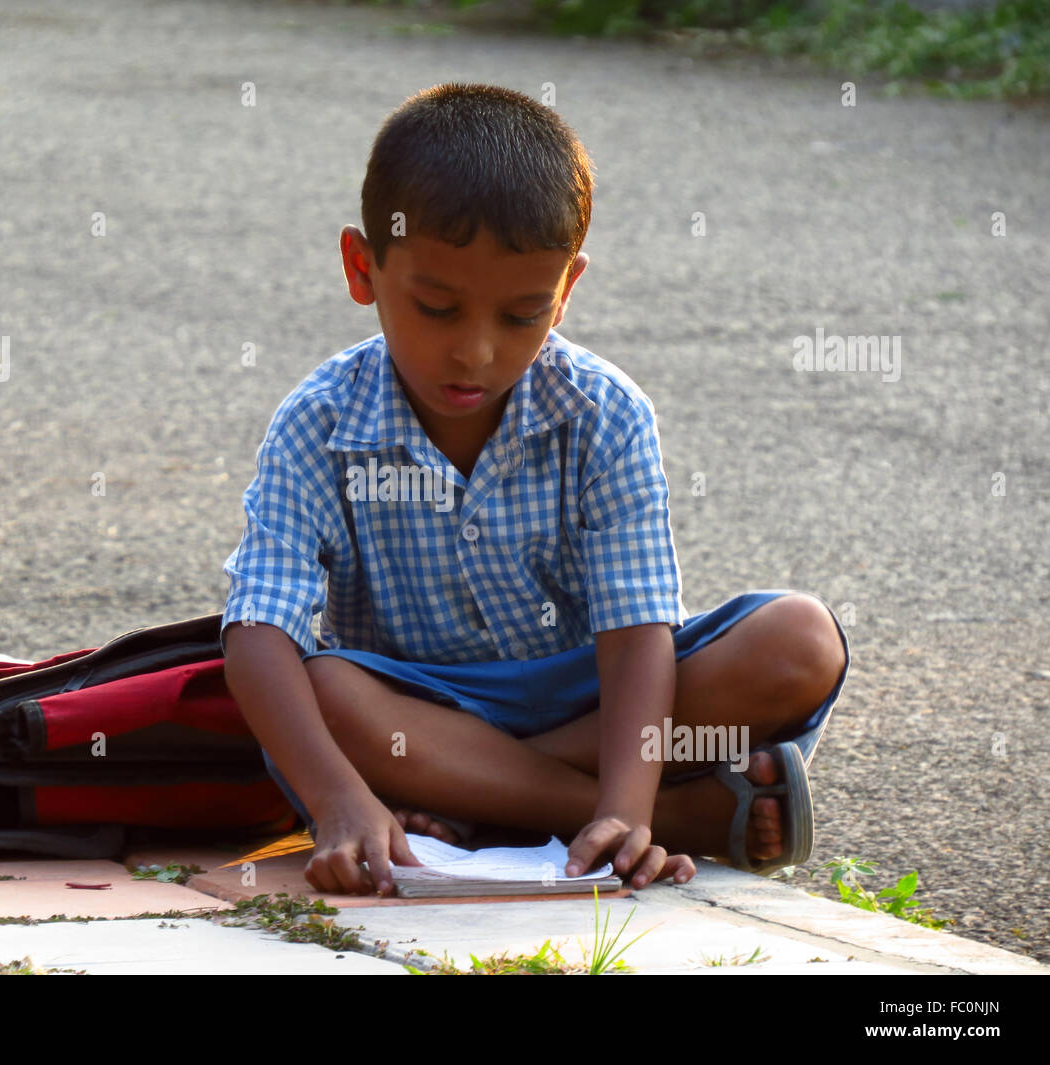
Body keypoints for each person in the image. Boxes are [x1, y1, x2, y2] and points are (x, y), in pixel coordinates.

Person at [220, 83, 849, 897]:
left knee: (801, 639)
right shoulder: (320, 421)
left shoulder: (604, 411)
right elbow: (257, 628)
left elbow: (634, 631)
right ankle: (681, 813)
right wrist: (338, 801)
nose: (475, 353)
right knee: (325, 687)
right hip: (416, 711)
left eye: (522, 315)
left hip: (595, 705)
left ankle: (478, 799)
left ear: (568, 290)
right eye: (437, 307)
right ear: (361, 266)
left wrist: (627, 805)